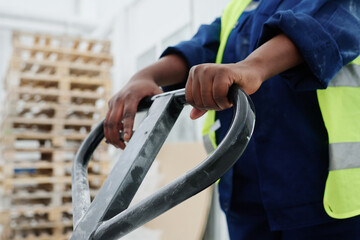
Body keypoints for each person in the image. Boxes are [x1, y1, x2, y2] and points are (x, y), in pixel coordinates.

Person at [104, 0, 360, 239]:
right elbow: (202, 47)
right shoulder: (239, 8)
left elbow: (327, 21)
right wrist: (144, 76)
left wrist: (253, 66)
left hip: (326, 204)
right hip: (246, 200)